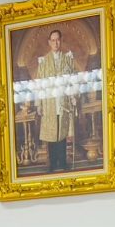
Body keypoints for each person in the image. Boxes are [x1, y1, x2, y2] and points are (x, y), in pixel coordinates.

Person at [37, 29, 76, 173]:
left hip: (63, 101)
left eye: (58, 39)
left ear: (61, 40)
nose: (56, 43)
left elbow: (72, 80)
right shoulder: (44, 62)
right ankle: (53, 163)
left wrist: (73, 96)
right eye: (53, 40)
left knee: (62, 132)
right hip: (49, 103)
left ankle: (63, 162)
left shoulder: (67, 59)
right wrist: (39, 104)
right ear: (49, 42)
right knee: (52, 132)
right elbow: (40, 85)